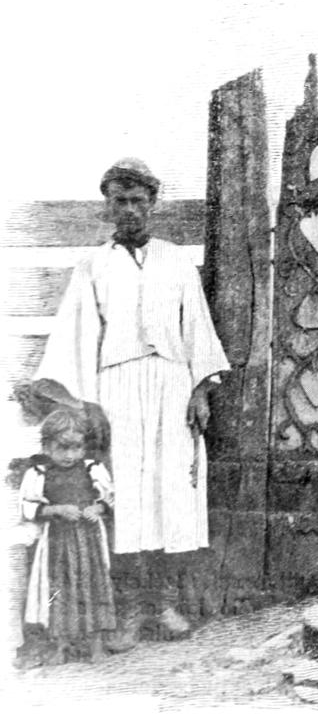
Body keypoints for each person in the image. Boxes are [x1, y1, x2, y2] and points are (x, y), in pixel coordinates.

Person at [31, 157, 230, 648]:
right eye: (119, 201)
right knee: (126, 495)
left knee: (170, 493)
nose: (129, 210)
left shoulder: (175, 261)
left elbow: (197, 328)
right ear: (108, 206)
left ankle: (163, 603)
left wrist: (201, 389)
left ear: (152, 204)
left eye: (138, 201)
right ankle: (130, 610)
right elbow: (78, 337)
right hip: (116, 389)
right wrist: (88, 405)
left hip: (172, 387)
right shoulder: (93, 266)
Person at [18, 409, 116, 665]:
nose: (70, 455)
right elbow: (29, 508)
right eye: (62, 448)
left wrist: (97, 508)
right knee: (59, 591)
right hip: (58, 544)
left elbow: (109, 499)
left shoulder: (92, 469)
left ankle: (96, 645)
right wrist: (57, 510)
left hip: (89, 543)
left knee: (93, 588)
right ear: (46, 446)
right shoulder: (39, 473)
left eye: (77, 448)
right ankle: (61, 645)